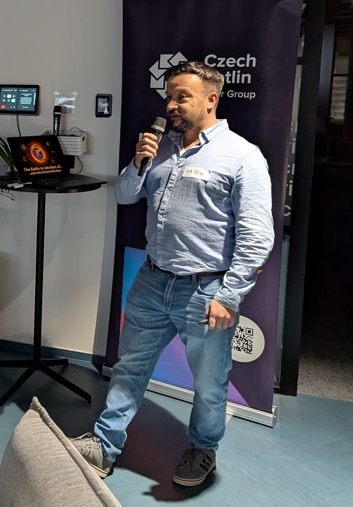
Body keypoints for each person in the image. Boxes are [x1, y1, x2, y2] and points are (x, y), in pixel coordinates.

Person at [71, 60, 274, 487]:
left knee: (209, 382)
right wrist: (138, 162)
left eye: (182, 96)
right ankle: (104, 445)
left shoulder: (242, 156)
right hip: (152, 280)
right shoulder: (160, 147)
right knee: (129, 368)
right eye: (169, 97)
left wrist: (229, 296)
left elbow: (257, 237)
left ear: (211, 99)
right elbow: (125, 195)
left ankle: (203, 448)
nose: (172, 105)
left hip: (206, 289)